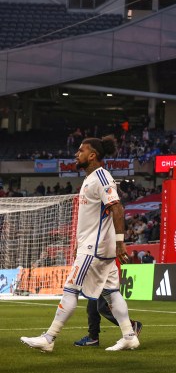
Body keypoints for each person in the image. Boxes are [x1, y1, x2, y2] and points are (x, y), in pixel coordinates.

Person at [21, 136, 140, 352]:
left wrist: (120, 243)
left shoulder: (102, 178)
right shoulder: (90, 178)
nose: (77, 154)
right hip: (94, 246)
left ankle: (49, 338)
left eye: (81, 150)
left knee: (70, 289)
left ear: (92, 155)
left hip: (94, 249)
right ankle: (129, 335)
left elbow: (118, 208)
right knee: (112, 292)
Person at [74, 292, 143, 347]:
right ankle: (93, 337)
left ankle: (132, 325)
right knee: (92, 307)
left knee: (102, 307)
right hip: (98, 281)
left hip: (105, 280)